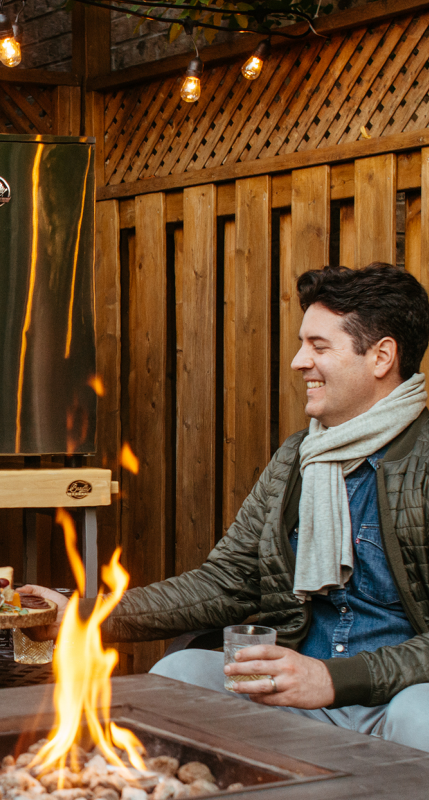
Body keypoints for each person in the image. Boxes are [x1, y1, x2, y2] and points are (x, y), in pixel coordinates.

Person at [26, 262, 429, 750]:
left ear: (382, 356)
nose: (300, 361)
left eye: (319, 346)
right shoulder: (297, 459)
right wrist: (83, 613)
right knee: (179, 672)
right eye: (303, 344)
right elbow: (225, 582)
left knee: (421, 714)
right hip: (291, 692)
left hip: (395, 701)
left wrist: (333, 678)